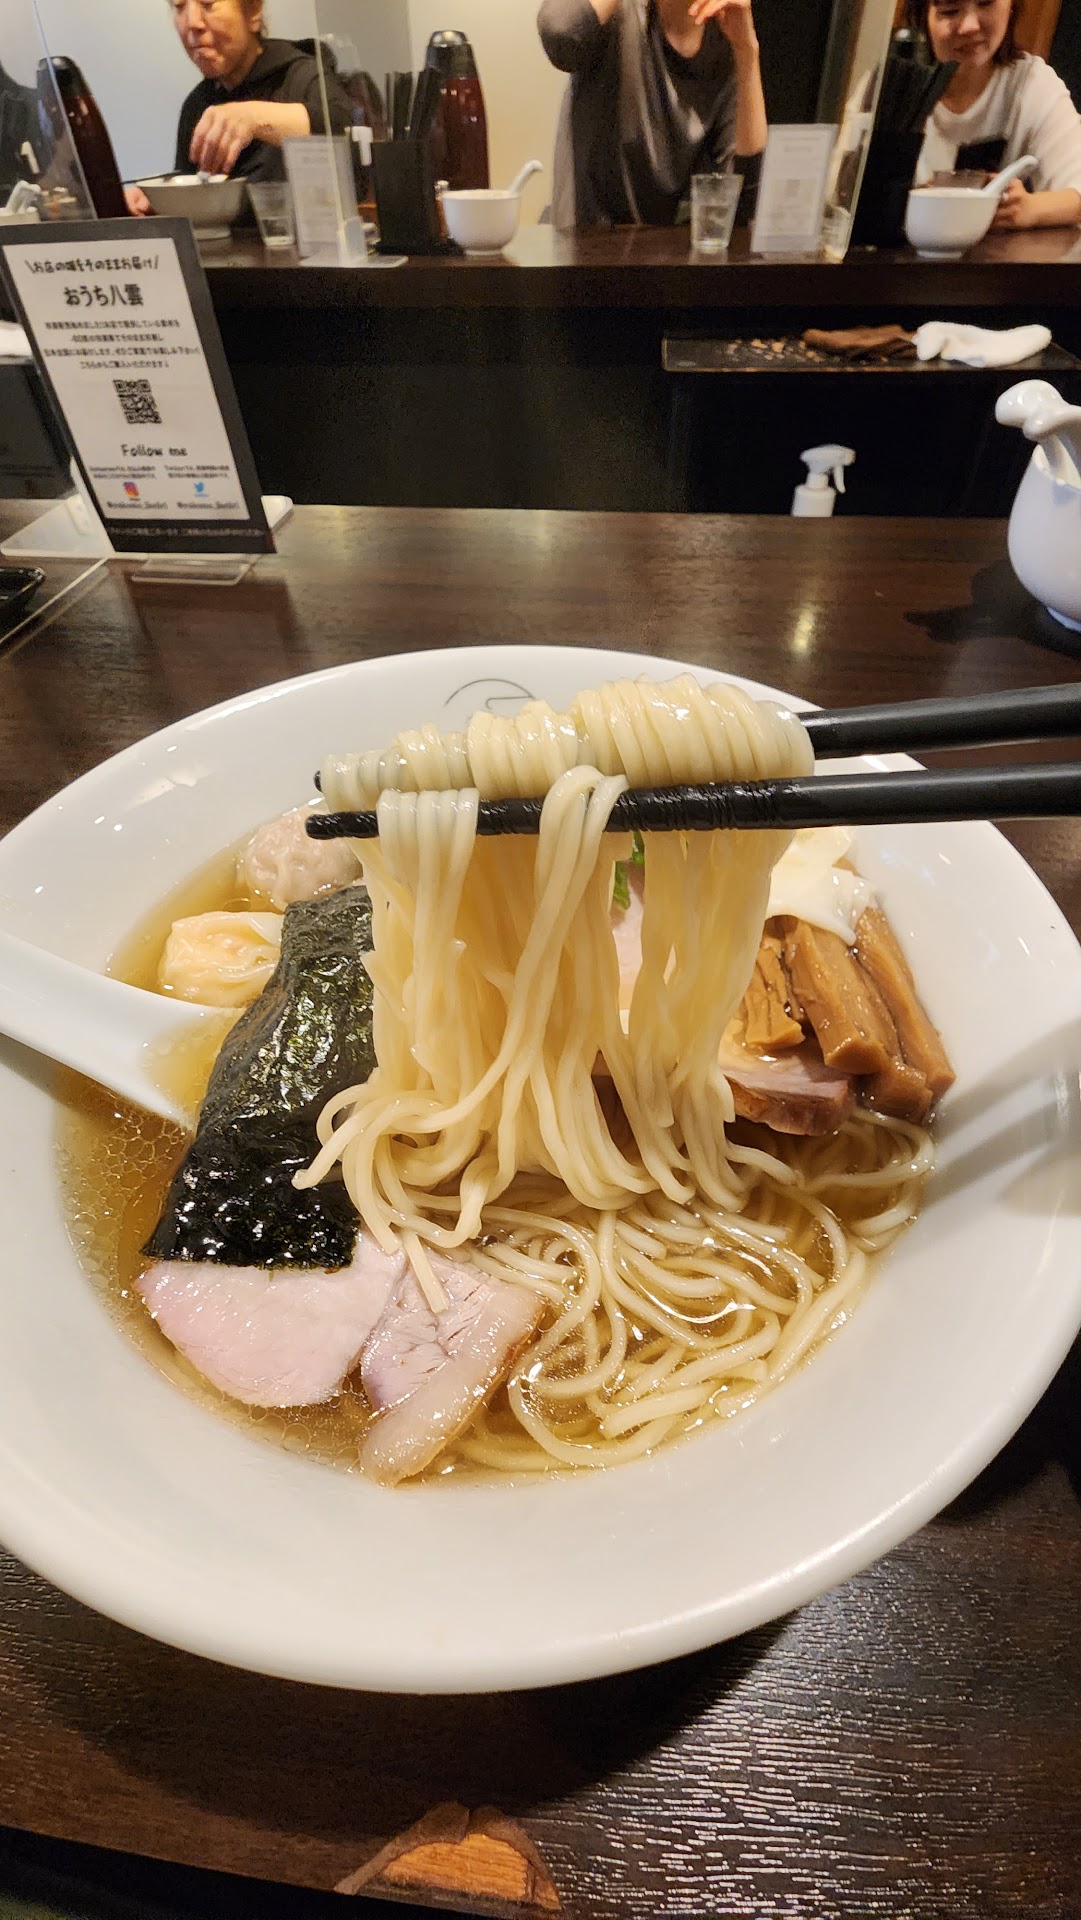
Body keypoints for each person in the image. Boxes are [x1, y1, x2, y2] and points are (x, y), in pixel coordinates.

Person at [537, 0, 767, 229]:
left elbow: (744, 200)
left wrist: (747, 51)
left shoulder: (726, 35)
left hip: (671, 246)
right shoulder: (617, 14)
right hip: (590, 242)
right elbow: (560, 33)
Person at [126, 0, 352, 214]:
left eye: (208, 3)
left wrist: (254, 118)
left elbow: (347, 129)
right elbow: (191, 194)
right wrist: (157, 202)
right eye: (179, 6)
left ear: (253, 12)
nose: (192, 22)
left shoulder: (301, 76)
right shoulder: (197, 104)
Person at [910, 0, 1081, 228]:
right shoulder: (892, 86)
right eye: (950, 11)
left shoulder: (1032, 83)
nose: (969, 26)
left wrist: (1026, 208)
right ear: (923, 16)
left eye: (986, 3)